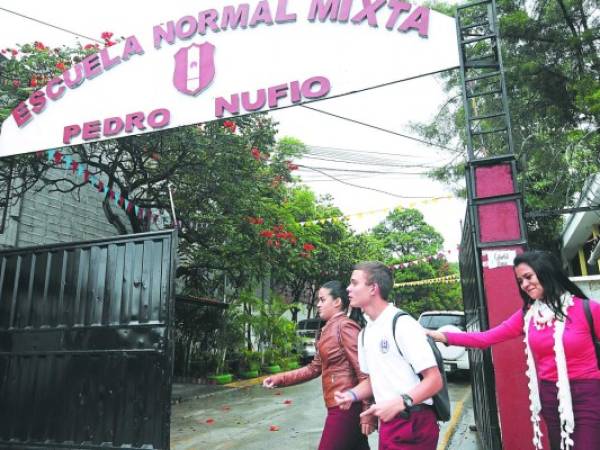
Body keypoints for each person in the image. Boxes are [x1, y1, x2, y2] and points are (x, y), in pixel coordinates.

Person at [427, 250, 600, 450]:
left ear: (546, 272)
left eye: (528, 277)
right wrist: (441, 336)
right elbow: (486, 338)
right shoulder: (528, 315)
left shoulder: (587, 309)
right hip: (550, 395)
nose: (524, 285)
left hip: (587, 393)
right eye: (520, 281)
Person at [335, 261, 443, 450]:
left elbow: (434, 380)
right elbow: (372, 381)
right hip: (389, 423)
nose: (348, 289)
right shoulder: (365, 333)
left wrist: (401, 402)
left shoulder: (402, 324)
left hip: (414, 422)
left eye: (354, 283)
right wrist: (351, 395)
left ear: (373, 288)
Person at [262, 280, 376, 450]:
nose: (318, 305)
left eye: (322, 300)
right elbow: (314, 368)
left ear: (337, 302)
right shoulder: (329, 328)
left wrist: (367, 412)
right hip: (338, 405)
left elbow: (364, 372)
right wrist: (280, 378)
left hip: (346, 406)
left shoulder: (345, 327)